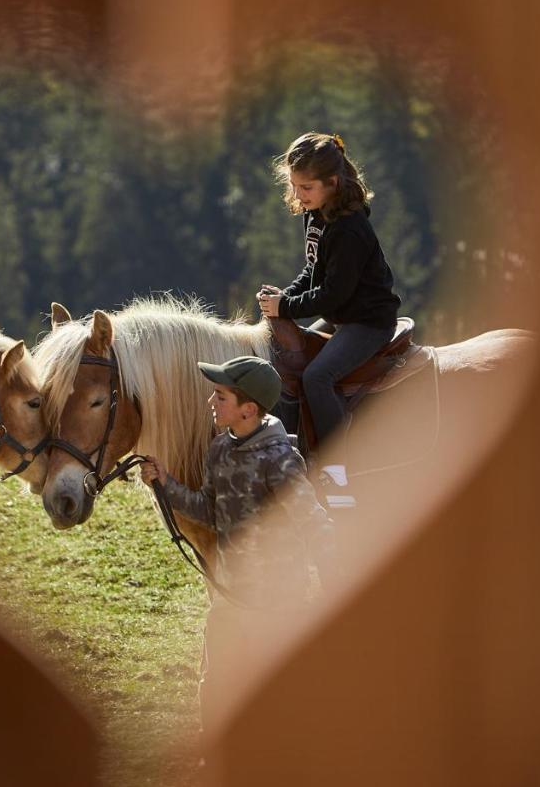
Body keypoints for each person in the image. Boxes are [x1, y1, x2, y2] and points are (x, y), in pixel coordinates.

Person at [139, 355, 335, 734]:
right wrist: (166, 483)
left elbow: (313, 521)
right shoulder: (219, 451)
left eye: (220, 396)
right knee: (215, 686)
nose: (211, 403)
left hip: (276, 606)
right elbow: (211, 512)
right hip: (229, 596)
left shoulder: (280, 460)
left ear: (248, 410)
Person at [256, 132, 402, 469]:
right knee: (283, 355)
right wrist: (285, 298)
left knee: (317, 377)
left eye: (306, 187)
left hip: (367, 323)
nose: (297, 194)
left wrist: (287, 307)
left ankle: (340, 466)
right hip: (342, 316)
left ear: (332, 182)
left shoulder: (349, 228)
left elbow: (336, 292)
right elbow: (313, 270)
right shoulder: (316, 213)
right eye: (293, 186)